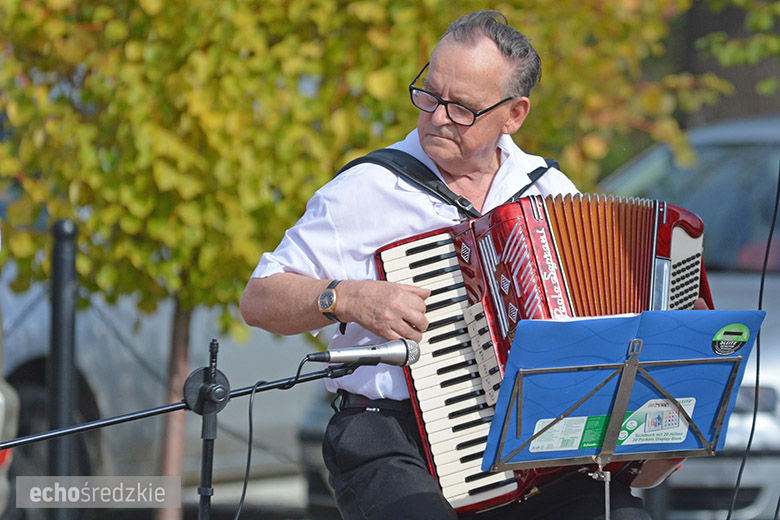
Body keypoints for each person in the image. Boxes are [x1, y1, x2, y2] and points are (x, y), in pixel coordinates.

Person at [241, 10, 651, 520]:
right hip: (391, 439)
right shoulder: (367, 189)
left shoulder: (549, 192)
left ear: (514, 114)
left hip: (534, 444)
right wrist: (345, 297)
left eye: (461, 108)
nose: (436, 117)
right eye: (430, 94)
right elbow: (258, 298)